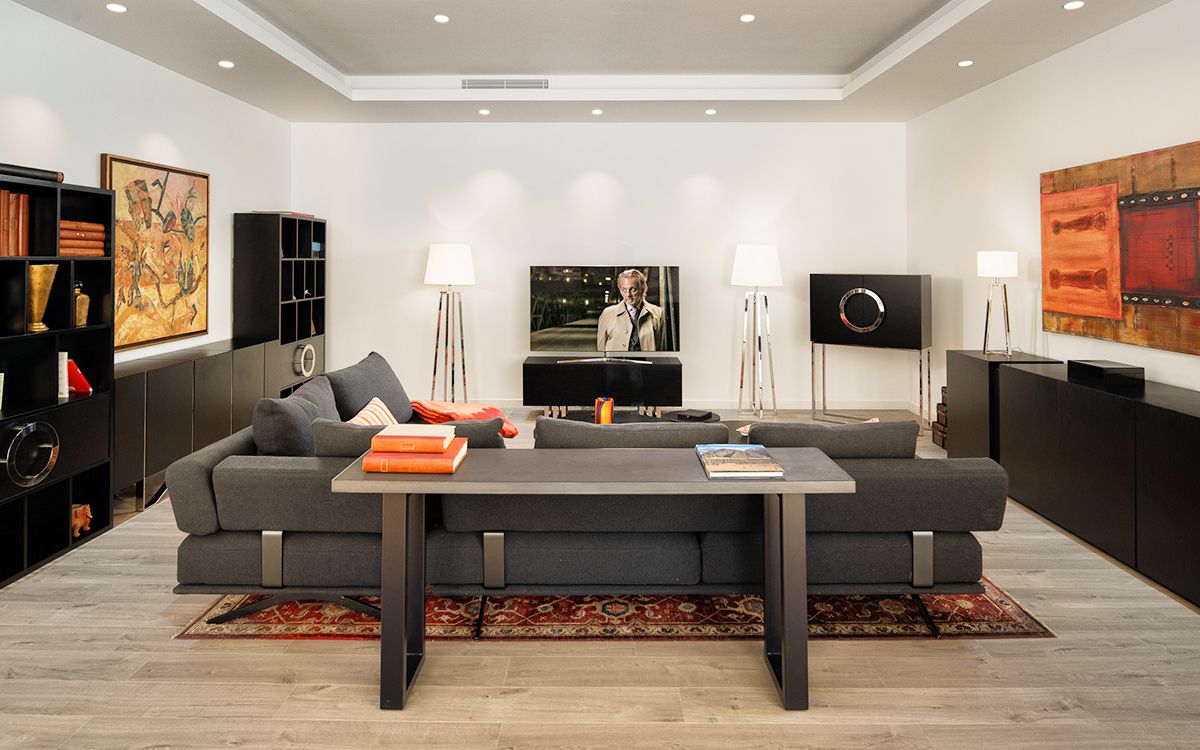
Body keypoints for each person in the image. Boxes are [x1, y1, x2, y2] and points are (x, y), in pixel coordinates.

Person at [596, 269, 665, 351]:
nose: (628, 294)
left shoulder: (658, 313)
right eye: (624, 290)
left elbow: (662, 346)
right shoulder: (608, 313)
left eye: (633, 289)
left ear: (643, 288)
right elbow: (601, 349)